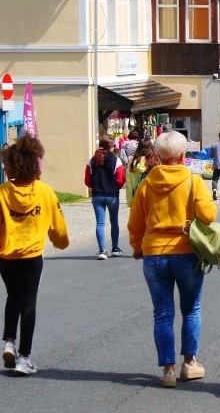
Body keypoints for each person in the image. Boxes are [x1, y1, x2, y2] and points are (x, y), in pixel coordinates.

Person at [127, 131, 216, 388]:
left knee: (162, 313)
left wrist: (136, 246)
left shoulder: (146, 183)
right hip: (186, 250)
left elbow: (135, 222)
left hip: (154, 252)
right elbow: (208, 216)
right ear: (182, 154)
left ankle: (168, 370)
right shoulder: (193, 181)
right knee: (191, 309)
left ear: (159, 156)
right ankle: (190, 363)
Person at [0, 134, 69, 376]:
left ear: (15, 165)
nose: (4, 168)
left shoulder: (3, 192)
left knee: (12, 296)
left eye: (6, 163)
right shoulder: (45, 192)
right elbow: (58, 226)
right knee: (28, 303)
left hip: (6, 257)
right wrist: (61, 242)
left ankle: (9, 341)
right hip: (31, 256)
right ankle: (24, 357)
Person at [85, 137, 126, 260]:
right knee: (114, 221)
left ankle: (102, 250)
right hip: (112, 195)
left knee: (100, 223)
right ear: (111, 147)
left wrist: (94, 186)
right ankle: (115, 248)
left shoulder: (91, 161)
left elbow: (87, 180)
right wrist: (116, 187)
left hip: (97, 195)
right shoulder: (116, 160)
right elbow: (120, 179)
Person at [125, 139, 159, 208]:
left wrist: (130, 201)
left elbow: (129, 184)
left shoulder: (132, 163)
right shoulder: (156, 163)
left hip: (138, 197)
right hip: (153, 198)